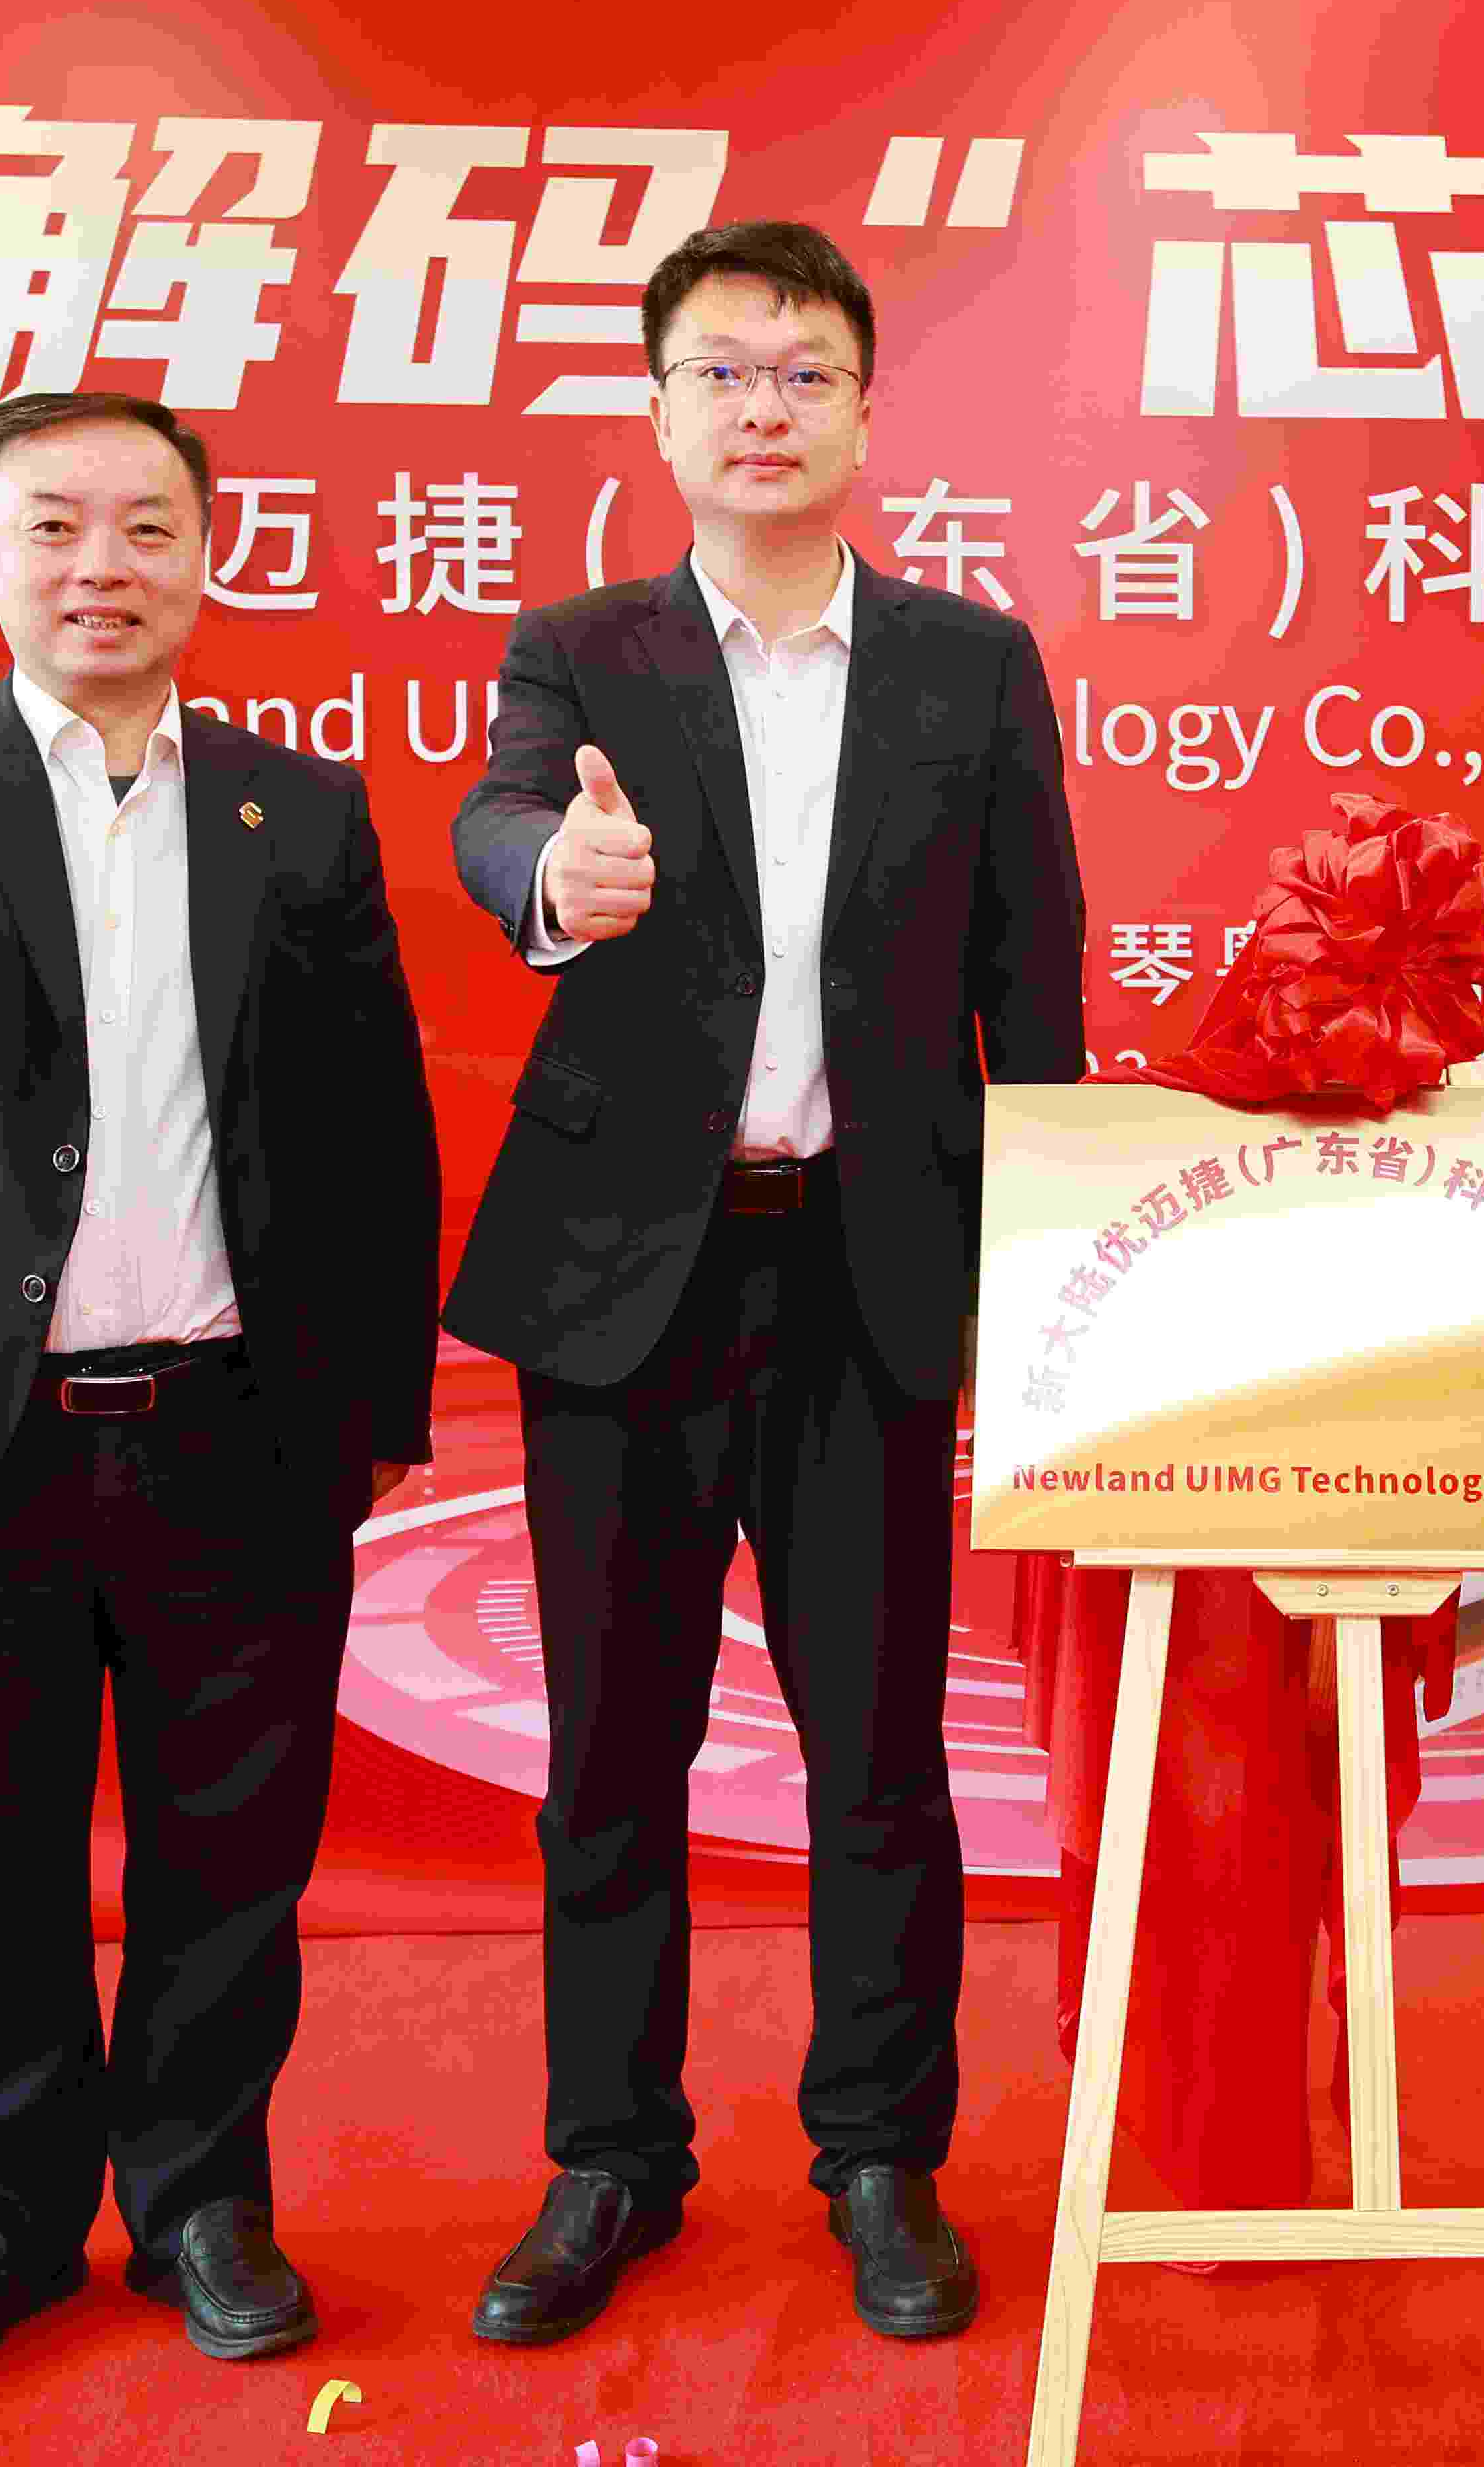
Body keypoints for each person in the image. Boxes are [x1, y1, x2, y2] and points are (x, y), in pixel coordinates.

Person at [0, 389, 440, 2394]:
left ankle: (204, 2199)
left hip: (238, 1427)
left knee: (236, 1856)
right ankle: (8, 2214)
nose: (98, 567)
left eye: (144, 527)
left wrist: (379, 1409)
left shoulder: (298, 808)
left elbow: (375, 1126)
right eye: (52, 526)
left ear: (208, 556)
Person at [440, 220, 1087, 2348]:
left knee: (880, 1753)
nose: (765, 409)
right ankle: (609, 2161)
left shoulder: (969, 664)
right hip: (627, 1277)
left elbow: (1035, 982)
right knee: (612, 1753)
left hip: (866, 1273)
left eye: (806, 374)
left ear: (868, 416)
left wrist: (1052, 1281)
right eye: (722, 372)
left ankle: (884, 2156)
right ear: (660, 415)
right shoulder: (584, 650)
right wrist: (555, 876)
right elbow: (502, 822)